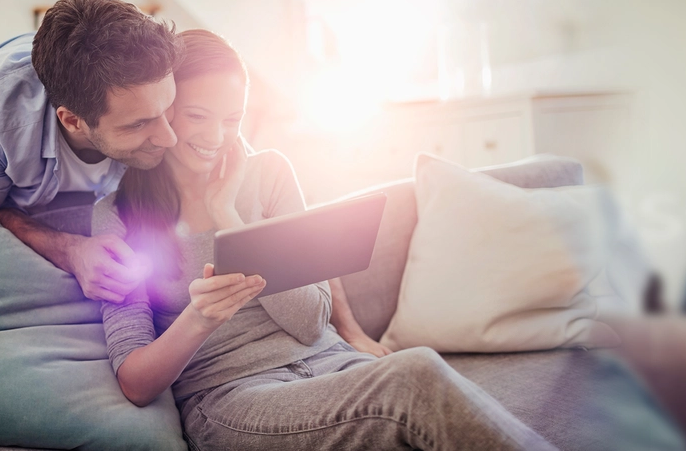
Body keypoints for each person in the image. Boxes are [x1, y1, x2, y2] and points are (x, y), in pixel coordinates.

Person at [95, 29, 556, 450]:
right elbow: (136, 382)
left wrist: (228, 215)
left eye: (232, 118)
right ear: (166, 107)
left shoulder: (269, 174)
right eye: (197, 115)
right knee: (417, 376)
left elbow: (312, 322)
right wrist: (199, 318)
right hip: (232, 399)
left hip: (331, 365)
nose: (216, 136)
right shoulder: (117, 216)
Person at [0, 0, 180, 303]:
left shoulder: (164, 73)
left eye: (169, 107)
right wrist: (71, 251)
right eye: (137, 124)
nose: (169, 137)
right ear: (72, 121)